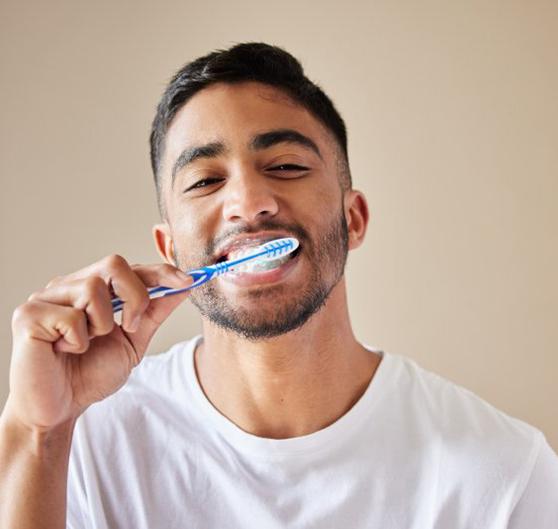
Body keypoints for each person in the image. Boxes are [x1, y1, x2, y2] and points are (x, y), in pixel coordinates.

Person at [0, 42, 557, 529]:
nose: (247, 203)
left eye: (286, 166)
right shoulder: (83, 446)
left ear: (353, 218)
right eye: (205, 180)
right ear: (170, 249)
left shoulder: (504, 473)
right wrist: (37, 432)